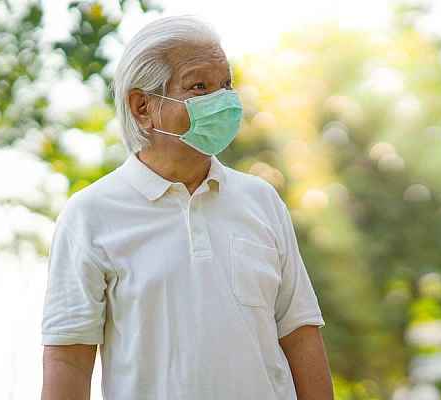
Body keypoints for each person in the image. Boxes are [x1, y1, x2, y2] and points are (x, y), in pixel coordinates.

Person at [41, 16, 333, 400]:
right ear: (143, 106)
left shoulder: (261, 201)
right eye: (200, 86)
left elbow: (300, 334)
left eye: (226, 85)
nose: (225, 101)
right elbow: (69, 360)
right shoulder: (89, 215)